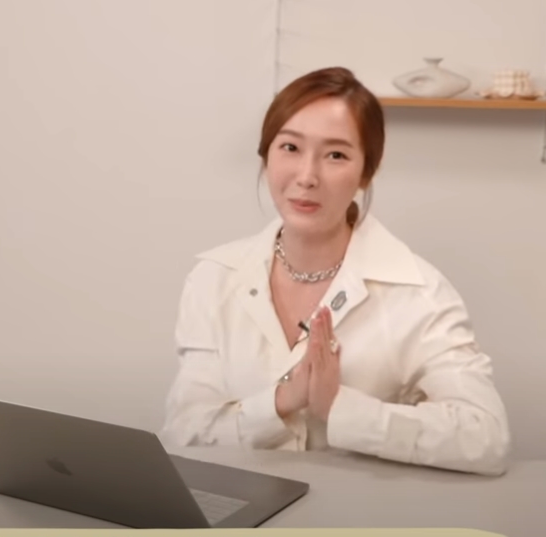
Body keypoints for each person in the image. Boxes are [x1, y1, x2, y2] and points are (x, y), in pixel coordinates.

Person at [160, 67, 510, 476]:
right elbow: (184, 433)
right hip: (242, 512)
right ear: (266, 156)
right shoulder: (214, 279)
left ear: (366, 173)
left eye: (336, 155)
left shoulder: (419, 291)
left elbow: (485, 437)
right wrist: (281, 401)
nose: (307, 177)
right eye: (290, 147)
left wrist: (341, 409)